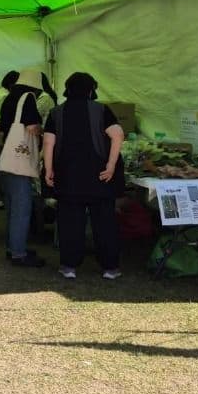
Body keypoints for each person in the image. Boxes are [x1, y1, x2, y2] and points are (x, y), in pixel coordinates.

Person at [43, 72, 125, 280]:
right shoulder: (101, 109)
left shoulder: (56, 113)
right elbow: (117, 135)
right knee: (104, 221)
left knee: (70, 222)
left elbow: (48, 143)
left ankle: (69, 266)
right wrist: (111, 164)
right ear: (91, 90)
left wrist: (49, 169)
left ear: (68, 89)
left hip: (68, 174)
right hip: (100, 175)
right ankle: (110, 268)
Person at [0, 68, 46, 267]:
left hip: (7, 159)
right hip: (19, 161)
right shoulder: (27, 98)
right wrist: (44, 131)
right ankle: (19, 253)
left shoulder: (9, 98)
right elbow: (32, 127)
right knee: (22, 208)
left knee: (12, 207)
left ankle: (13, 247)